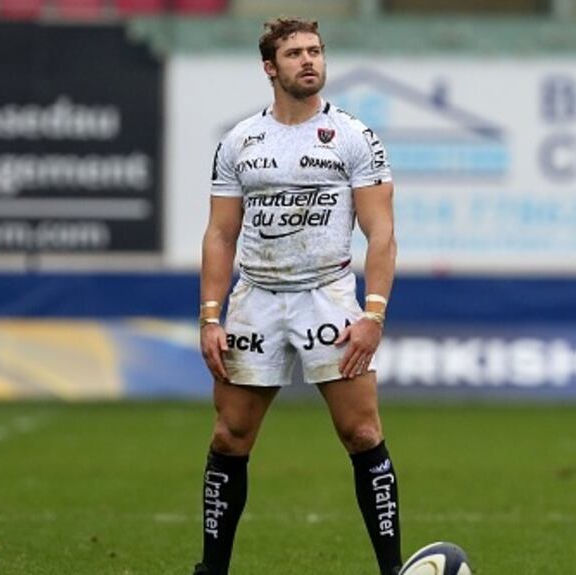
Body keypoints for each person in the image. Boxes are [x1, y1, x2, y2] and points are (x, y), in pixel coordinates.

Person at [192, 18, 400, 575]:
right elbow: (220, 234)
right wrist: (210, 317)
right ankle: (211, 570)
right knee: (230, 436)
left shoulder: (354, 137)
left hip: (326, 295)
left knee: (362, 432)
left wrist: (374, 314)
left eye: (315, 51)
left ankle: (392, 570)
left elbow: (381, 233)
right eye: (294, 54)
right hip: (255, 299)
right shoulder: (240, 141)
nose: (308, 60)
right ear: (270, 67)